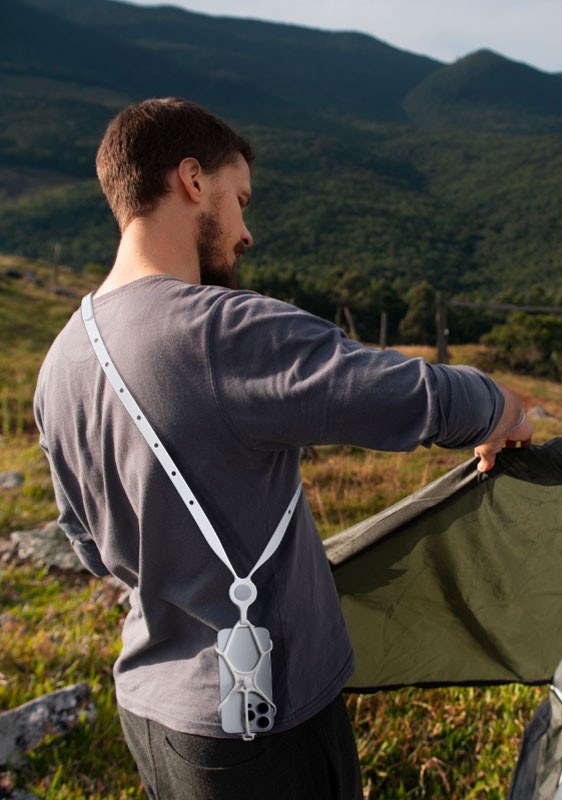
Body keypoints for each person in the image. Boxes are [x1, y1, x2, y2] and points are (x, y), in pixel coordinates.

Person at [34, 97, 533, 799]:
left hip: (150, 711)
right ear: (192, 180)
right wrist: (503, 408)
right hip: (259, 726)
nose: (246, 232)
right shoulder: (219, 329)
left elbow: (89, 546)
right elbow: (403, 394)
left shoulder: (60, 362)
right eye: (240, 200)